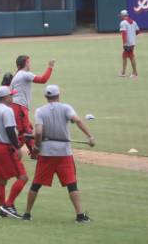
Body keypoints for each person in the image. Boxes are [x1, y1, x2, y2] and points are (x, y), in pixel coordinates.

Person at [24, 85, 95, 223]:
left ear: (46, 97)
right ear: (58, 95)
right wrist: (90, 137)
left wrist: (37, 147)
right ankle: (80, 215)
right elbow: (78, 120)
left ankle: (27, 214)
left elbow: (38, 132)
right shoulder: (66, 108)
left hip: (46, 153)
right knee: (71, 184)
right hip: (64, 153)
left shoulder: (40, 111)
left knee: (36, 184)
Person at [0, 86, 28, 219]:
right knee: (23, 177)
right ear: (5, 97)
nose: (12, 97)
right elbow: (10, 130)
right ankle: (8, 205)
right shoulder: (7, 110)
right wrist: (17, 147)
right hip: (5, 148)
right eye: (11, 95)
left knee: (1, 181)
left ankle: (2, 209)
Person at [10, 55, 55, 154]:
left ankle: (33, 151)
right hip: (19, 106)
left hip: (17, 106)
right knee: (25, 132)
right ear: (25, 63)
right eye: (29, 62)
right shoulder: (24, 74)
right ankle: (12, 151)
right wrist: (50, 67)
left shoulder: (17, 75)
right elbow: (43, 79)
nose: (30, 64)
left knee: (28, 129)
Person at [119, 9, 140, 78]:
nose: (120, 17)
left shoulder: (123, 23)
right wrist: (132, 36)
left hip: (127, 43)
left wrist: (124, 43)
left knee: (131, 56)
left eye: (121, 16)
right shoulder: (134, 22)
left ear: (123, 16)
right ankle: (123, 72)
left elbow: (124, 34)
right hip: (132, 42)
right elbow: (138, 31)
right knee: (124, 56)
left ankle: (135, 73)